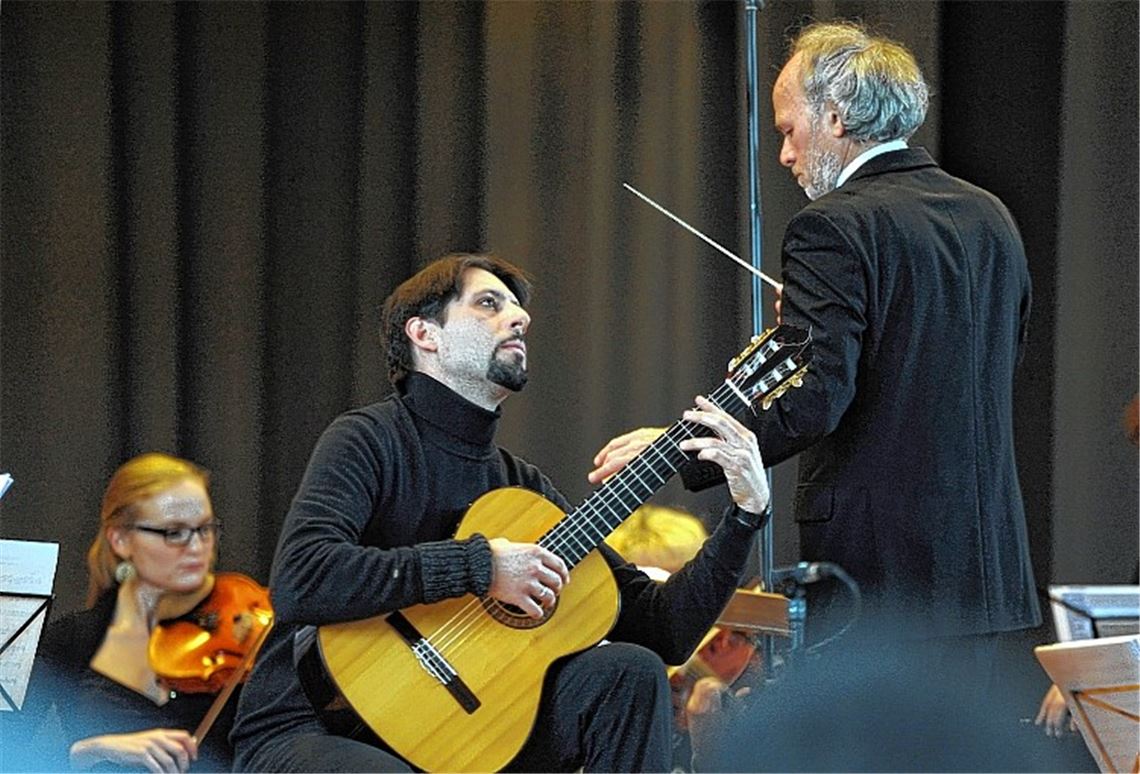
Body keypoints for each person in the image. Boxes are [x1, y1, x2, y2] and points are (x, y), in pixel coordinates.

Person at [591, 20, 1041, 769]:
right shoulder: (991, 216)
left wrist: (678, 449)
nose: (787, 154)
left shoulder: (831, 227)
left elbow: (814, 399)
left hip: (877, 573)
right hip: (988, 570)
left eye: (791, 129)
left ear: (836, 116)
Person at [228, 253, 771, 772]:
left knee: (630, 672)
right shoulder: (367, 439)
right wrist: (480, 567)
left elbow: (663, 632)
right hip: (314, 726)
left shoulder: (521, 486)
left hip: (459, 733)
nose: (519, 318)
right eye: (489, 304)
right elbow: (303, 579)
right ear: (425, 335)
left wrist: (744, 516)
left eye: (518, 309)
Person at [21, 453, 236, 772]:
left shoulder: (238, 633)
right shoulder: (73, 639)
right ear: (121, 540)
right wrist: (88, 749)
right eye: (174, 532)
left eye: (205, 529)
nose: (197, 547)